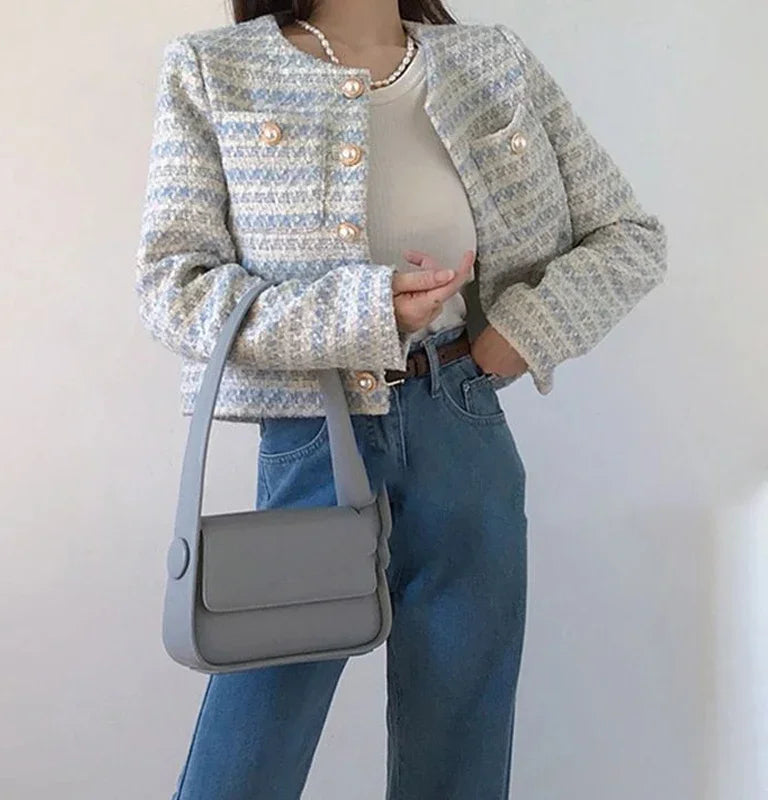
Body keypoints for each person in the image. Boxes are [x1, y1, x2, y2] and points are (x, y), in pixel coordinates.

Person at [135, 2, 668, 798]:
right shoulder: (215, 68)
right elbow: (172, 289)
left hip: (462, 420)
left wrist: (521, 333)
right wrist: (365, 314)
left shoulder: (493, 61)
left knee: (461, 739)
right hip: (315, 438)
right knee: (251, 746)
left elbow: (629, 235)